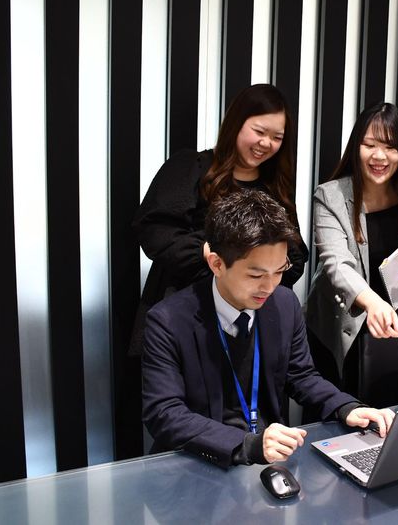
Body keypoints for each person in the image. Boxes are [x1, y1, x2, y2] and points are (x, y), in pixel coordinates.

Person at [141, 189, 394, 467]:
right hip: (199, 462)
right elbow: (164, 413)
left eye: (279, 270)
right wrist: (247, 445)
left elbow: (301, 375)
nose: (270, 286)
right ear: (217, 263)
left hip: (268, 458)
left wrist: (345, 406)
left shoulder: (284, 304)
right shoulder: (168, 320)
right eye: (256, 275)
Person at [129, 84, 309, 355]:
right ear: (235, 123)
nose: (266, 143)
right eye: (259, 131)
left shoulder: (277, 187)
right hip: (187, 308)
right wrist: (207, 251)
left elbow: (294, 255)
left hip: (251, 321)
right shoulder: (191, 167)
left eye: (277, 137)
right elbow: (154, 229)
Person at [304, 102, 398, 403]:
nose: (379, 156)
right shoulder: (330, 196)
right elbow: (337, 264)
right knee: (342, 406)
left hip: (392, 314)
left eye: (390, 147)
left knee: (390, 403)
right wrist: (373, 303)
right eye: (369, 145)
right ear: (356, 147)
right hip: (344, 320)